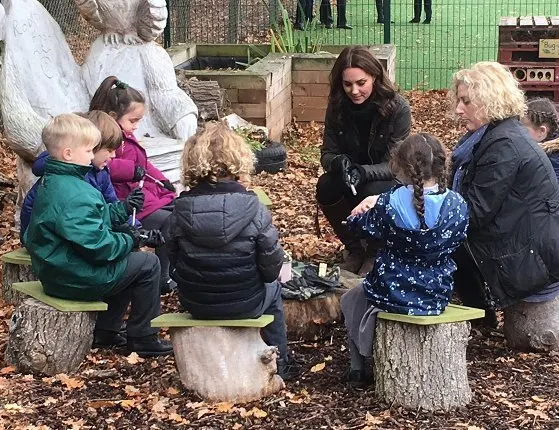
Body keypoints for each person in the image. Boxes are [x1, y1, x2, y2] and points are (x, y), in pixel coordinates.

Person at [24, 113, 172, 357]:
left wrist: (121, 209)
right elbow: (99, 247)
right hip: (72, 277)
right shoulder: (75, 193)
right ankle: (143, 336)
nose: (93, 156)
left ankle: (106, 330)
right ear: (68, 153)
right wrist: (134, 239)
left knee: (128, 263)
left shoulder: (55, 181)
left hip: (57, 270)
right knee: (148, 263)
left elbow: (91, 218)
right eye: (89, 150)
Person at [163, 122, 299, 380]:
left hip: (197, 302)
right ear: (240, 160)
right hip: (247, 300)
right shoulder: (256, 210)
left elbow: (173, 259)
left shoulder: (179, 212)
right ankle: (282, 363)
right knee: (275, 292)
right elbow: (271, 266)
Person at [340, 133, 469, 387]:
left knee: (350, 299)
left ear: (401, 166)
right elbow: (460, 238)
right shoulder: (457, 204)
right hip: (437, 293)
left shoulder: (389, 202)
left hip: (392, 290)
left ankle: (357, 369)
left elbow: (359, 227)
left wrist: (360, 212)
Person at [450, 62, 559, 324]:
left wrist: (423, 210)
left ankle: (479, 316)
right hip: (528, 245)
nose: (459, 109)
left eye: (466, 101)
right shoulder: (497, 133)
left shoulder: (503, 145)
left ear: (490, 99)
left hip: (535, 262)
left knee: (445, 242)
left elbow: (474, 213)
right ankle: (480, 315)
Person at [317, 46, 412, 276]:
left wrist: (362, 172)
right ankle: (354, 248)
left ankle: (375, 251)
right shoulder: (337, 105)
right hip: (350, 175)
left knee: (371, 188)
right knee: (326, 185)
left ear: (375, 78)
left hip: (387, 181)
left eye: (361, 83)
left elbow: (396, 164)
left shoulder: (398, 108)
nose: (354, 90)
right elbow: (327, 153)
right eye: (347, 84)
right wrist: (338, 162)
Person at [90, 76, 177, 294]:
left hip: (142, 195)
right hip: (126, 203)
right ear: (112, 116)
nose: (136, 126)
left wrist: (162, 180)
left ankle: (174, 270)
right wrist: (130, 170)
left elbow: (144, 164)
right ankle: (163, 278)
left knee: (179, 211)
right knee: (169, 222)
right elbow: (107, 166)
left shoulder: (127, 135)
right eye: (132, 120)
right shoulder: (109, 139)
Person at [20, 111, 143, 243]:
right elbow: (85, 224)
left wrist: (135, 226)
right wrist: (126, 237)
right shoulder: (71, 181)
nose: (113, 156)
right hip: (47, 243)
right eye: (109, 150)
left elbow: (106, 206)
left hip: (70, 235)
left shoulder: (101, 172)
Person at [522, 98, 559, 210]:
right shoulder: (557, 150)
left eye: (524, 130)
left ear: (542, 131)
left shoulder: (555, 159)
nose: (520, 133)